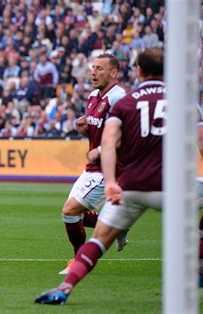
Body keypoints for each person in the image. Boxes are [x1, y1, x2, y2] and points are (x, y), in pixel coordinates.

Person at [35, 48, 203, 305]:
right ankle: (200, 265)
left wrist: (110, 183)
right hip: (173, 186)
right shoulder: (184, 100)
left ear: (138, 71)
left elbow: (108, 144)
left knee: (98, 242)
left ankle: (64, 289)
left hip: (131, 186)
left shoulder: (125, 102)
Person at [58, 53, 127, 275]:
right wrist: (84, 127)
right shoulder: (93, 96)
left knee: (70, 209)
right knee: (71, 214)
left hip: (110, 168)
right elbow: (97, 127)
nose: (93, 72)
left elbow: (127, 134)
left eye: (99, 69)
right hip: (93, 167)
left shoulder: (119, 98)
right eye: (93, 68)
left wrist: (100, 149)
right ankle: (117, 226)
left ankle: (79, 261)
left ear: (114, 73)